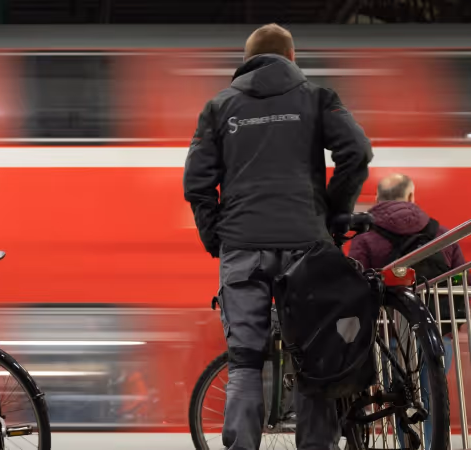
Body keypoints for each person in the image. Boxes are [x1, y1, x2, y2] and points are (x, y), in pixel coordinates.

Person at [183, 23, 372, 450]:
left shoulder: (219, 106)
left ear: (246, 61)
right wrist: (332, 212)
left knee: (245, 362)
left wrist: (215, 236)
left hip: (242, 246)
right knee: (314, 357)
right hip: (307, 244)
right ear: (291, 58)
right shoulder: (317, 97)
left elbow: (196, 182)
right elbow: (356, 151)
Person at [348, 173, 465, 450]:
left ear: (378, 199)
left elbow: (353, 286)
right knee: (433, 400)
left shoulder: (364, 238)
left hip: (388, 338)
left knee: (401, 402)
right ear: (411, 196)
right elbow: (461, 282)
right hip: (436, 333)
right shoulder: (442, 233)